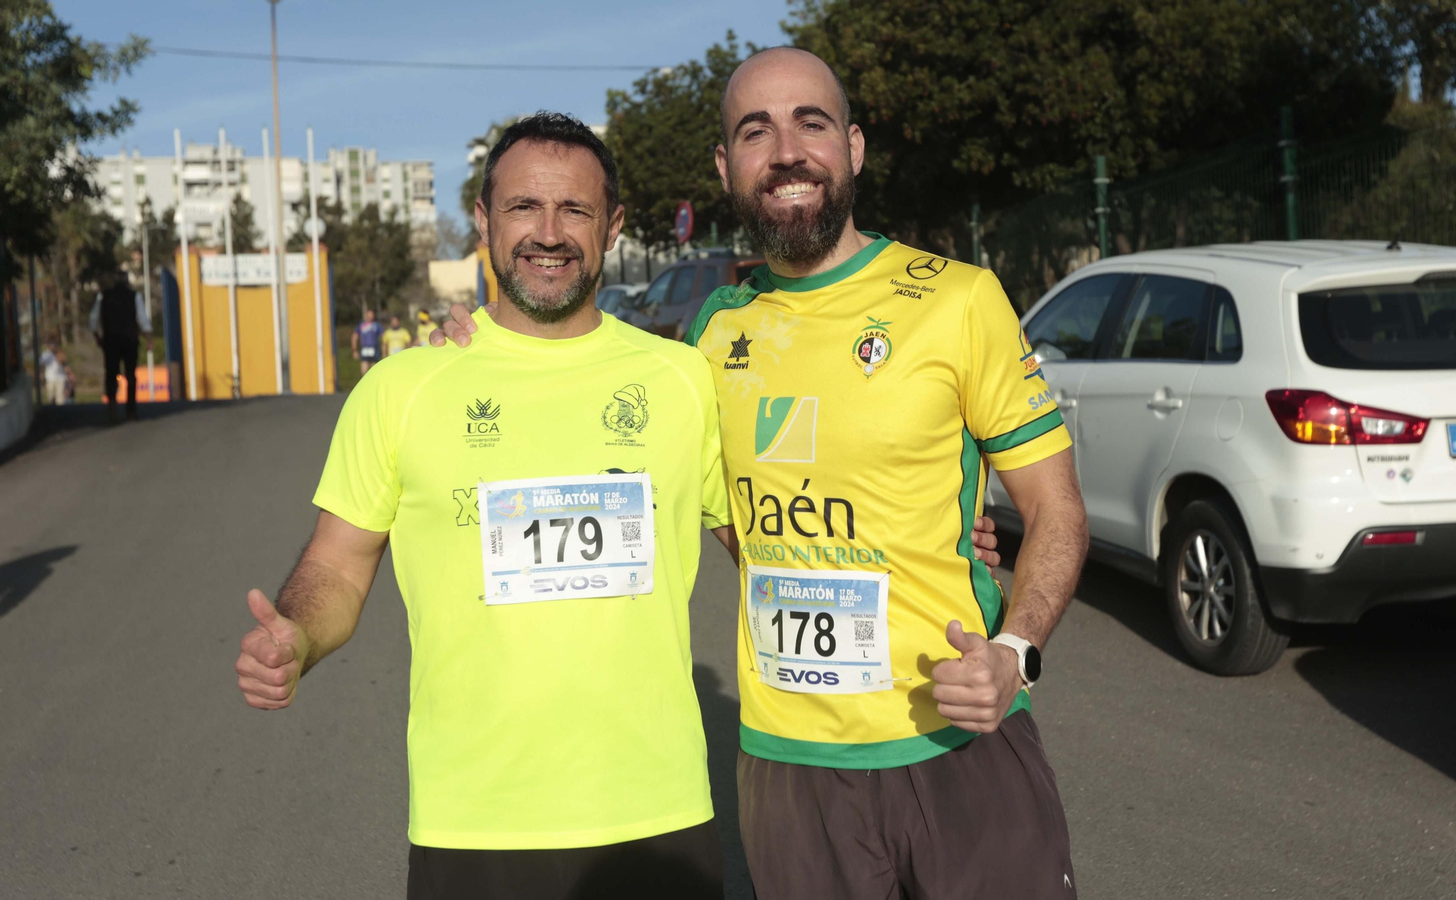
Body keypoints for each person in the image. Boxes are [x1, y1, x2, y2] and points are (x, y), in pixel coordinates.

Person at [434, 47, 1082, 900]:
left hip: (958, 738)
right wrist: (482, 348)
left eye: (810, 122)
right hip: (788, 772)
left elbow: (1057, 510)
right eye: (755, 131)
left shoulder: (958, 299)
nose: (785, 150)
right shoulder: (711, 332)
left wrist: (1014, 652)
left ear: (852, 147)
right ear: (725, 167)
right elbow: (660, 456)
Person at [232, 113, 737, 900]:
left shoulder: (683, 381)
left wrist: (951, 544)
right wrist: (296, 636)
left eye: (574, 210)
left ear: (612, 225)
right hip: (474, 823)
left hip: (658, 813)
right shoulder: (403, 389)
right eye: (523, 208)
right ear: (483, 221)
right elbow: (337, 562)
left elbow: (768, 544)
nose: (549, 232)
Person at [88, 270, 151, 422]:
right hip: (130, 340)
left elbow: (93, 318)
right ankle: (131, 411)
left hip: (111, 340)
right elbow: (142, 319)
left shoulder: (103, 296)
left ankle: (112, 410)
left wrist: (97, 336)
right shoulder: (134, 296)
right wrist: (149, 338)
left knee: (111, 374)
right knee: (131, 375)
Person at [352, 309, 384, 373]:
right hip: (365, 348)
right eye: (369, 314)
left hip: (374, 348)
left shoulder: (377, 325)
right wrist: (354, 350)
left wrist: (384, 350)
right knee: (364, 366)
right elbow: (354, 337)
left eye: (372, 314)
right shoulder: (361, 325)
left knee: (374, 368)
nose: (371, 316)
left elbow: (383, 337)